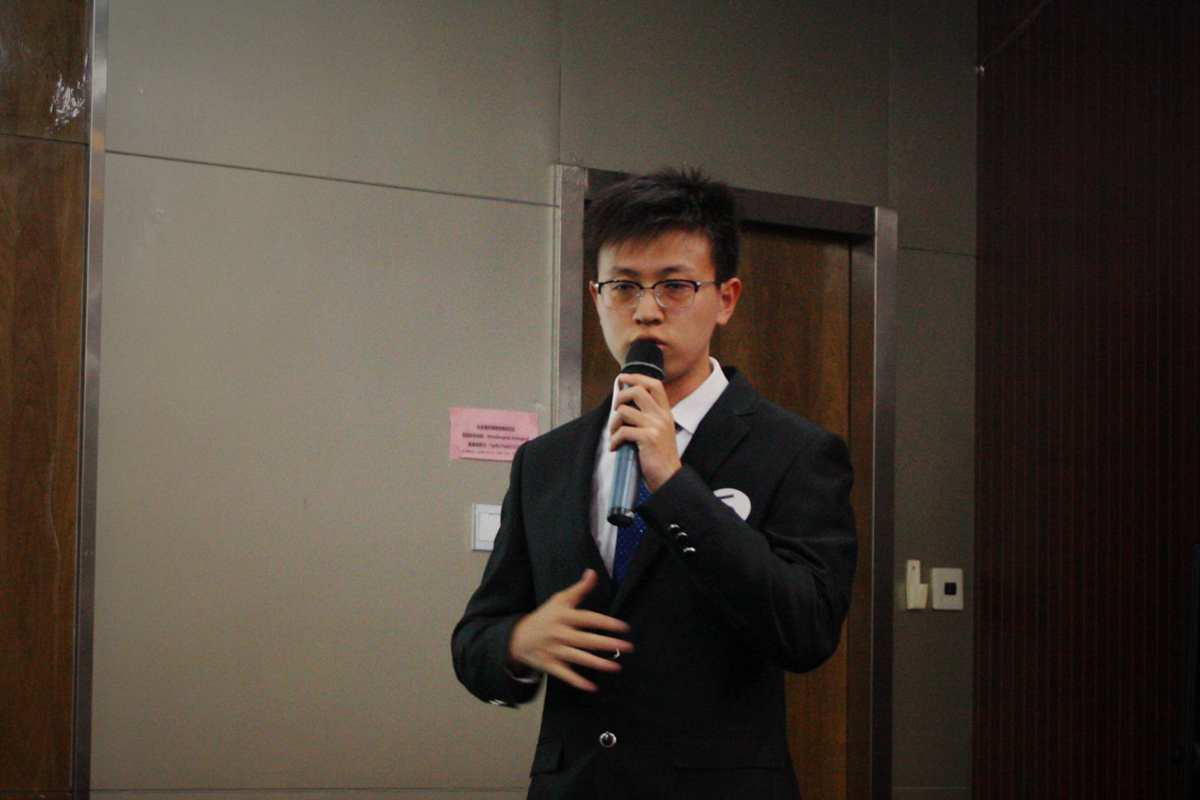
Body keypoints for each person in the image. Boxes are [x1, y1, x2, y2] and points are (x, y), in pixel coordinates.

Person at [451, 167, 856, 800]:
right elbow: (476, 638)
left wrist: (673, 484)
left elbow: (806, 631)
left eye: (674, 286)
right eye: (623, 287)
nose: (645, 311)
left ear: (726, 298)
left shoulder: (797, 450)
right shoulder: (545, 461)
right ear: (595, 297)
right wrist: (519, 642)